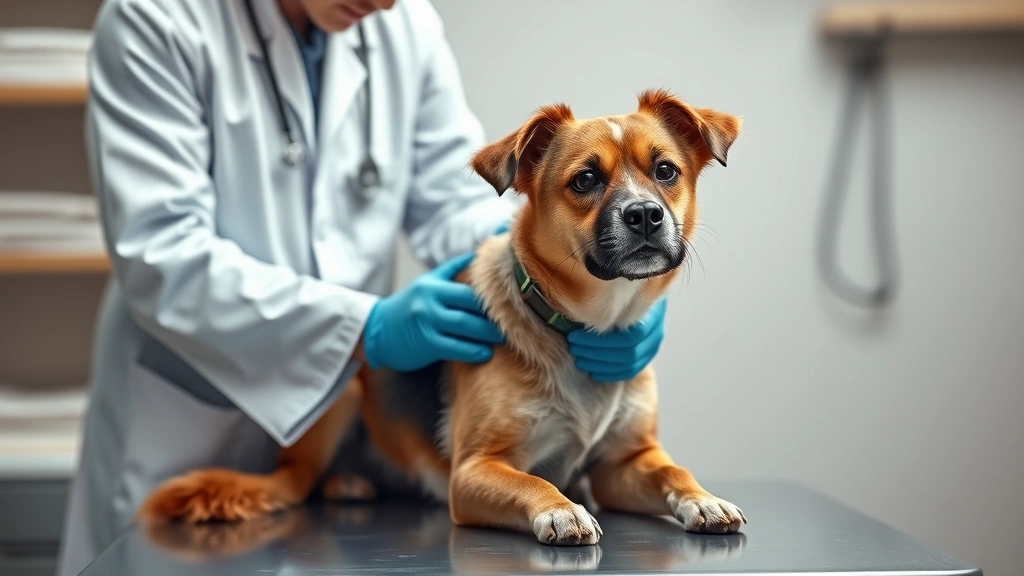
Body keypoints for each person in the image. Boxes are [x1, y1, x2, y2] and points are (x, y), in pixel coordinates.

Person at [55, 0, 668, 574]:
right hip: (189, 410)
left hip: (345, 451)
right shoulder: (154, 19)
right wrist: (362, 327)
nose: (382, 3)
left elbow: (456, 205)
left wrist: (572, 278)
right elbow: (162, 255)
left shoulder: (404, 27)